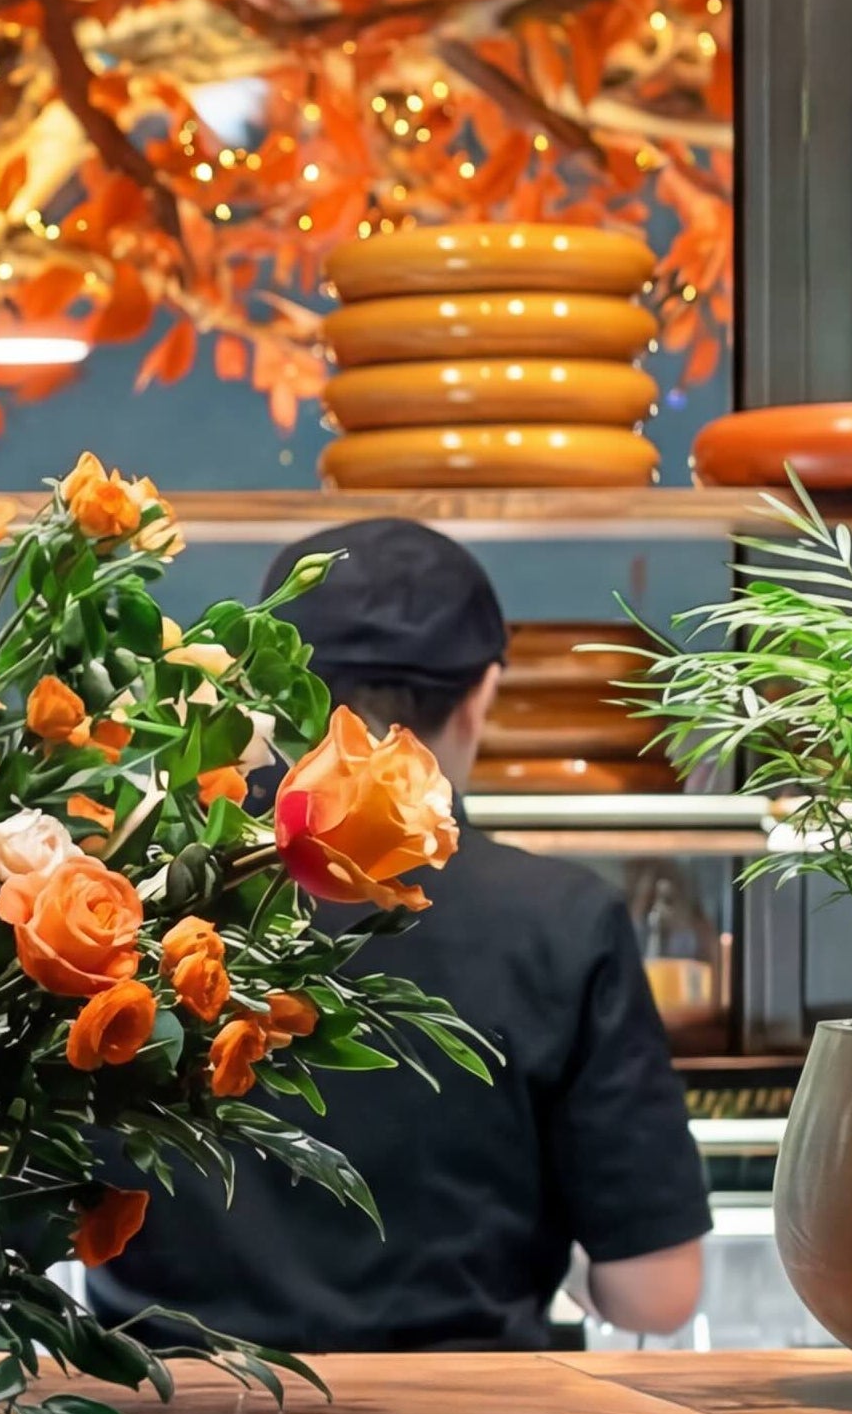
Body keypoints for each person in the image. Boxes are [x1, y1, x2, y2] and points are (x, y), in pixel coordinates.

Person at [92, 517, 709, 1352]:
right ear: (483, 695)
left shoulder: (118, 902)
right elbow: (656, 1294)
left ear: (262, 692)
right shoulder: (565, 922)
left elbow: (24, 1219)